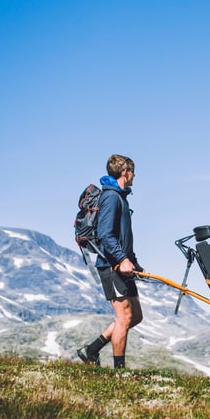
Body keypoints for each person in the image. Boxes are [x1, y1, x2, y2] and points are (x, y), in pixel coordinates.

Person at [77, 154, 144, 369]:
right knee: (124, 318)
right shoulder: (111, 198)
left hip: (122, 264)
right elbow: (106, 234)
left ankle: (92, 350)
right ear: (125, 172)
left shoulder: (121, 198)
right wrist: (122, 259)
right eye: (133, 171)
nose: (134, 176)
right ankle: (119, 372)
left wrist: (133, 261)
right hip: (111, 265)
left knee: (135, 316)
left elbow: (122, 236)